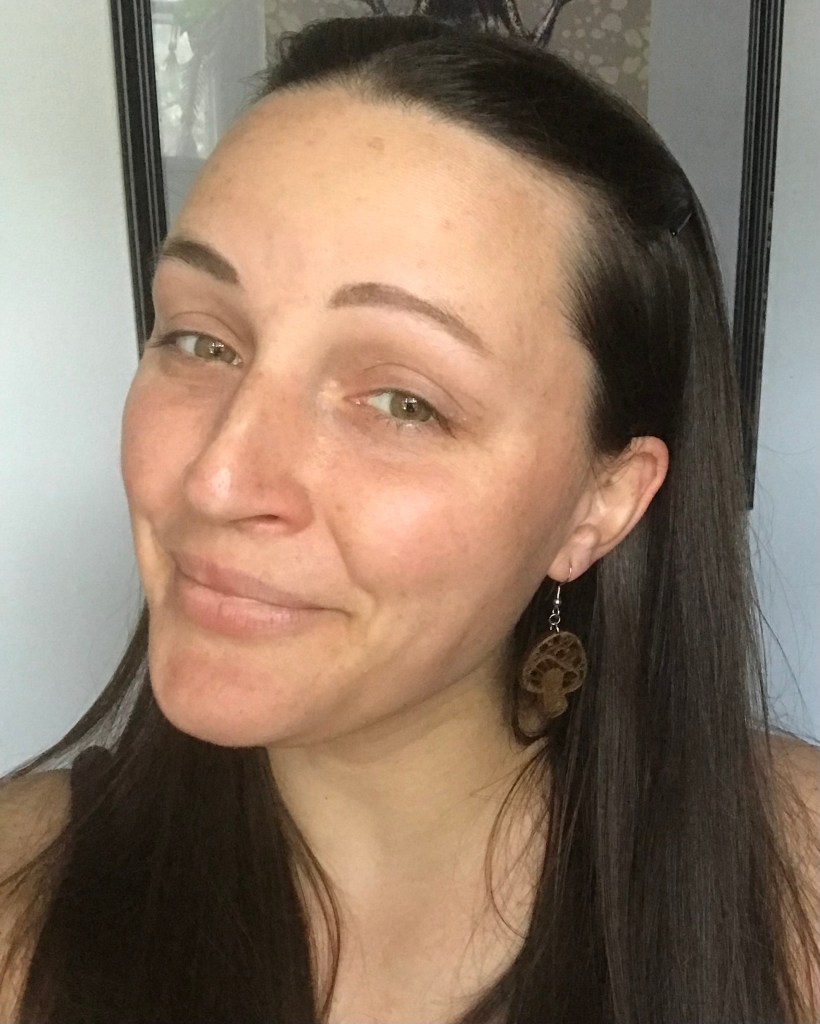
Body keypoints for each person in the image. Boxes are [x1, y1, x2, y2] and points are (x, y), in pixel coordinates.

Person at [1, 13, 818, 1024]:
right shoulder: (20, 905)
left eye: (402, 401)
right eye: (202, 342)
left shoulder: (793, 898)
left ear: (599, 503)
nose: (215, 480)